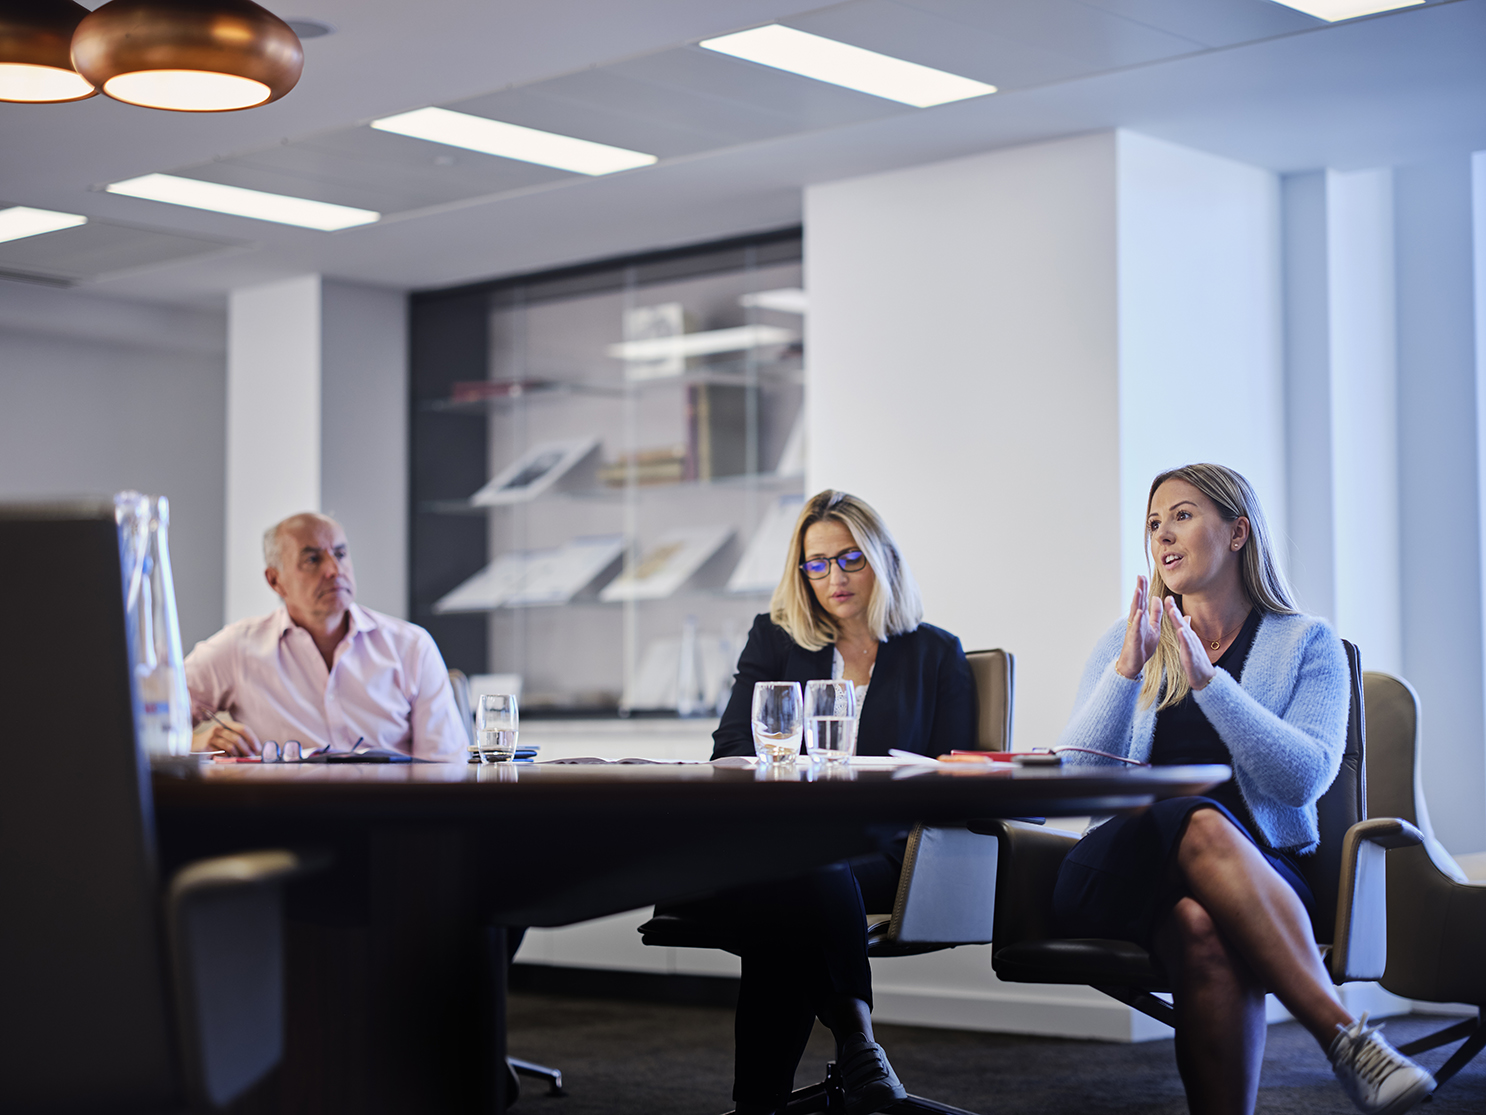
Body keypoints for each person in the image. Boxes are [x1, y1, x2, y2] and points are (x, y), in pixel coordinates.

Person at [1053, 464, 1434, 1115]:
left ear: (1237, 532)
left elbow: (1304, 779)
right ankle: (1345, 1035)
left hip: (1261, 872)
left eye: (1182, 514)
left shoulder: (1306, 642)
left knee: (1204, 927)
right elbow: (1076, 782)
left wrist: (1212, 686)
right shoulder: (1127, 645)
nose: (1162, 534)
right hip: (1123, 862)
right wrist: (1126, 669)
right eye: (1153, 522)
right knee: (1198, 819)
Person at [702, 489, 976, 1115]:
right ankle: (859, 1042)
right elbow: (730, 744)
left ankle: (758, 1108)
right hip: (773, 843)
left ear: (881, 560)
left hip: (884, 852)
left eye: (849, 558)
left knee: (791, 888)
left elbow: (962, 776)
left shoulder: (935, 652)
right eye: (817, 563)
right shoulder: (774, 640)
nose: (834, 577)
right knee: (794, 869)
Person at [186, 512, 467, 760]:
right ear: (275, 580)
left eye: (341, 554)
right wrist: (194, 743)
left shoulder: (411, 647)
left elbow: (446, 765)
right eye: (312, 559)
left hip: (388, 814)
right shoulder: (238, 648)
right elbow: (149, 723)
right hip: (282, 814)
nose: (334, 570)